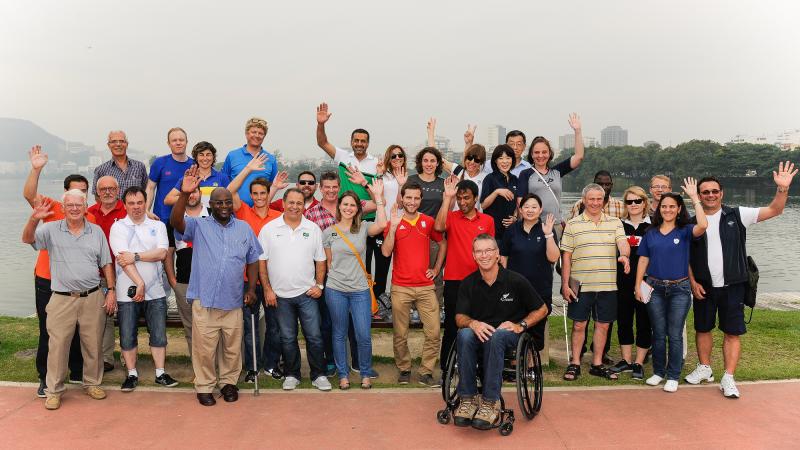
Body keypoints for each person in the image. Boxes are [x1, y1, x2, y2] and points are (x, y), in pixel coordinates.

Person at [687, 163, 797, 398]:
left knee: (732, 332)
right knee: (702, 328)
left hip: (734, 286)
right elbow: (686, 257)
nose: (710, 195)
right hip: (703, 286)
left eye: (714, 191)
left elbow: (774, 210)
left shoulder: (737, 215)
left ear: (721, 193)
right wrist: (692, 281)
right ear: (699, 195)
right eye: (705, 192)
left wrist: (782, 189)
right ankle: (704, 367)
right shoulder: (690, 221)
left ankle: (728, 377)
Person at [171, 167, 263, 407]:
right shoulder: (199, 226)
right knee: (205, 349)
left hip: (233, 300)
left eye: (227, 202)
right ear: (210, 205)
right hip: (205, 300)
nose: (224, 206)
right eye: (218, 202)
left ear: (232, 205)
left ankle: (228, 383)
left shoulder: (244, 229)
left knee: (232, 348)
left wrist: (251, 289)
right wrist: (184, 193)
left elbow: (253, 259)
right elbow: (176, 221)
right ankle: (204, 386)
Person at [22, 191, 117, 410]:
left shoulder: (96, 231)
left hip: (92, 296)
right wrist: (34, 218)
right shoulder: (51, 229)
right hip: (62, 299)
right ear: (63, 208)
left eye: (79, 204)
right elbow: (27, 239)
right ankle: (53, 390)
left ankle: (92, 383)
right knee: (57, 346)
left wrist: (110, 290)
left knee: (93, 344)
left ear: (86, 207)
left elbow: (106, 263)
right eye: (70, 205)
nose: (75, 208)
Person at [452, 234, 549, 430]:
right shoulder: (468, 283)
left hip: (509, 334)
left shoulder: (516, 281)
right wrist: (473, 324)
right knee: (463, 334)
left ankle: (490, 401)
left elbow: (542, 309)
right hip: (480, 333)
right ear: (473, 256)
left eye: (489, 250)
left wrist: (521, 325)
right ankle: (468, 399)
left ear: (497, 254)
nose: (484, 255)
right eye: (479, 251)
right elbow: (459, 317)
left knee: (497, 336)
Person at [23, 146, 92, 396]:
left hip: (75, 285)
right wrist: (36, 169)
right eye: (74, 191)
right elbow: (29, 194)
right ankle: (46, 376)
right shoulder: (51, 207)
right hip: (48, 281)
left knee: (75, 330)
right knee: (49, 331)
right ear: (65, 194)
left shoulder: (89, 216)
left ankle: (75, 369)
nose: (78, 196)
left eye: (83, 192)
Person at [635, 179, 708, 392]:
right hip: (654, 288)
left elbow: (703, 225)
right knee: (658, 332)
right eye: (664, 206)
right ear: (660, 209)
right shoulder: (651, 232)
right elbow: (643, 260)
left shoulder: (685, 230)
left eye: (672, 207)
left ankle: (674, 374)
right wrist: (638, 285)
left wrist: (695, 198)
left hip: (680, 289)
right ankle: (659, 371)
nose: (667, 210)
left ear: (678, 210)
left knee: (674, 333)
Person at [258, 188, 330, 392]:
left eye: (299, 203)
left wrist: (320, 285)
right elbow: (262, 262)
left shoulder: (313, 228)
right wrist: (267, 289)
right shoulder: (269, 229)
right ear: (283, 202)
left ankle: (319, 374)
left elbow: (321, 260)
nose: (295, 206)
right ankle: (292, 374)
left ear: (303, 205)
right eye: (291, 202)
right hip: (280, 296)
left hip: (307, 294)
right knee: (287, 338)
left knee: (314, 336)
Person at [304, 171, 374, 377]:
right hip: (328, 276)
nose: (331, 190)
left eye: (335, 187)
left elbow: (378, 205)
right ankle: (332, 362)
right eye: (327, 187)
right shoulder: (311, 213)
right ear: (320, 188)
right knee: (329, 324)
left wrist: (367, 186)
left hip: (354, 278)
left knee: (357, 327)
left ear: (339, 188)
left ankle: (358, 364)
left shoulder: (350, 205)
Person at [109, 186, 177, 392]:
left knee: (158, 334)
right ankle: (131, 374)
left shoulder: (158, 226)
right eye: (131, 203)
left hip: (156, 292)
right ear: (125, 204)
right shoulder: (118, 227)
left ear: (145, 202)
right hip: (126, 292)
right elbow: (123, 260)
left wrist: (136, 256)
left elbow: (162, 253)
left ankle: (160, 372)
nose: (136, 207)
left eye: (140, 203)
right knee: (128, 335)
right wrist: (139, 283)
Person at [560, 183, 630, 381]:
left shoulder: (615, 222)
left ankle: (597, 363)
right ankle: (575, 362)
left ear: (604, 201)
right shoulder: (573, 224)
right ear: (584, 200)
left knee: (603, 326)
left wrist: (624, 255)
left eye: (599, 199)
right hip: (580, 285)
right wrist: (565, 284)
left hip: (608, 285)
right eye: (591, 199)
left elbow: (622, 243)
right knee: (579, 325)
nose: (595, 203)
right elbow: (566, 257)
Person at [323, 183, 387, 389]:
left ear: (357, 209)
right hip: (336, 290)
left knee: (363, 334)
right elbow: (328, 262)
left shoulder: (364, 228)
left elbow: (383, 224)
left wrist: (378, 197)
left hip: (360, 290)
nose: (348, 208)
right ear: (339, 206)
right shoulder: (328, 232)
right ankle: (343, 375)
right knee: (339, 333)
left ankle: (365, 372)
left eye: (352, 205)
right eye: (345, 204)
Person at [381, 182, 446, 387]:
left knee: (434, 332)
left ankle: (426, 371)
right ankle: (404, 368)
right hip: (401, 286)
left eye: (416, 198)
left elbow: (442, 242)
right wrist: (392, 228)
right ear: (402, 198)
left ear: (420, 199)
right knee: (400, 333)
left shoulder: (427, 221)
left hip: (426, 286)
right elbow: (385, 252)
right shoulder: (395, 221)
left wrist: (436, 269)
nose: (412, 201)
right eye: (408, 198)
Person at [227, 157, 285, 382]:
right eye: (256, 194)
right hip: (246, 280)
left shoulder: (278, 218)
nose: (259, 197)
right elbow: (229, 190)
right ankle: (253, 368)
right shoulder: (243, 213)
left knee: (275, 326)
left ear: (269, 194)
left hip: (273, 281)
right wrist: (248, 169)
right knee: (250, 327)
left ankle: (271, 365)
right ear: (251, 196)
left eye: (263, 193)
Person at [434, 177, 495, 377]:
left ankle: (478, 365)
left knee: (479, 323)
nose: (462, 202)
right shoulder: (451, 216)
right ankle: (447, 367)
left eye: (466, 198)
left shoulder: (487, 220)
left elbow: (491, 251)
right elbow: (438, 227)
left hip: (481, 280)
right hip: (454, 280)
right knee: (453, 325)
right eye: (459, 198)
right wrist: (447, 198)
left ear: (476, 198)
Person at [499, 194, 560, 350]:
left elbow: (553, 258)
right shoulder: (512, 230)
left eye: (534, 207)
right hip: (515, 288)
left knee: (536, 330)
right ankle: (515, 366)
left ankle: (531, 368)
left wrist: (548, 235)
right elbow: (503, 258)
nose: (530, 210)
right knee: (514, 327)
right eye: (526, 206)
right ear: (520, 209)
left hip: (540, 288)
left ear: (540, 210)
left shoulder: (547, 228)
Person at [516, 114, 586, 236]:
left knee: (554, 255)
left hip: (556, 225)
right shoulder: (526, 174)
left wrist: (578, 131)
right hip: (533, 225)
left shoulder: (557, 171)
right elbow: (520, 201)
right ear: (531, 155)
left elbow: (579, 156)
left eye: (544, 152)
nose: (540, 156)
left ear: (550, 153)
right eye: (536, 152)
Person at [608, 186, 652, 379]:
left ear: (644, 202)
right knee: (624, 320)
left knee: (644, 321)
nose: (633, 205)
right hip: (622, 281)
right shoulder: (618, 225)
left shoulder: (653, 226)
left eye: (638, 201)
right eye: (629, 201)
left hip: (646, 281)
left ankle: (639, 362)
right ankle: (626, 360)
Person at [87, 176, 128, 373]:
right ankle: (106, 357)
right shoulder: (89, 213)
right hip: (99, 273)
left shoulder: (128, 210)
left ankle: (130, 357)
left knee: (129, 314)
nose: (108, 192)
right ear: (97, 192)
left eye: (111, 188)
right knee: (106, 314)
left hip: (126, 271)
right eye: (103, 189)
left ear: (118, 190)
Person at [167, 185, 207, 358]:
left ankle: (215, 367)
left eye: (195, 191)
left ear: (200, 193)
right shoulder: (174, 220)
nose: (192, 195)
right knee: (191, 328)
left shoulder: (213, 216)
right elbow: (169, 254)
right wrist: (173, 282)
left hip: (209, 284)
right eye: (188, 192)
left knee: (210, 328)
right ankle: (198, 368)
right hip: (184, 283)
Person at [408, 143, 446, 303]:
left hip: (435, 234)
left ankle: (436, 308)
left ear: (438, 163)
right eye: (425, 160)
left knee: (434, 273)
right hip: (412, 233)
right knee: (412, 272)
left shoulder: (443, 183)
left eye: (432, 160)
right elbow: (403, 203)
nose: (429, 164)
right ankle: (412, 308)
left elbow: (447, 209)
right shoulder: (411, 180)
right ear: (420, 162)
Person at [221, 117, 279, 206]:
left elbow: (272, 186)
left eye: (261, 133)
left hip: (260, 212)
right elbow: (224, 183)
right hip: (234, 211)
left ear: (264, 136)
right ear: (246, 134)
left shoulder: (270, 159)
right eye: (254, 132)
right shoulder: (232, 155)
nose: (257, 135)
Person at [145, 127, 193, 222]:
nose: (178, 143)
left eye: (181, 140)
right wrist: (146, 210)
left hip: (187, 219)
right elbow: (150, 188)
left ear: (186, 142)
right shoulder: (159, 163)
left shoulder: (194, 165)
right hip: (162, 218)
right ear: (168, 143)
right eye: (174, 140)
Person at [164, 141, 232, 209]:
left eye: (208, 154)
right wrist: (190, 198)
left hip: (216, 219)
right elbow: (168, 200)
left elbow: (232, 201)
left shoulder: (222, 177)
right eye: (201, 155)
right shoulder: (189, 178)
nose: (205, 158)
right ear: (196, 157)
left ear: (213, 157)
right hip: (194, 218)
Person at [92, 130, 148, 201]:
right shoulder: (101, 170)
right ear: (109, 145)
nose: (118, 144)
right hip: (112, 211)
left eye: (122, 141)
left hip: (134, 211)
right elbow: (97, 196)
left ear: (127, 144)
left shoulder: (139, 167)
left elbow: (146, 191)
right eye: (114, 141)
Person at [480, 145, 518, 240]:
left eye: (508, 158)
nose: (505, 162)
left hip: (511, 231)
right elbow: (483, 205)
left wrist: (515, 217)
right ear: (495, 161)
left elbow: (518, 203)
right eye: (501, 158)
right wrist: (496, 192)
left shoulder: (515, 179)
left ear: (512, 160)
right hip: (493, 231)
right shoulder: (490, 178)